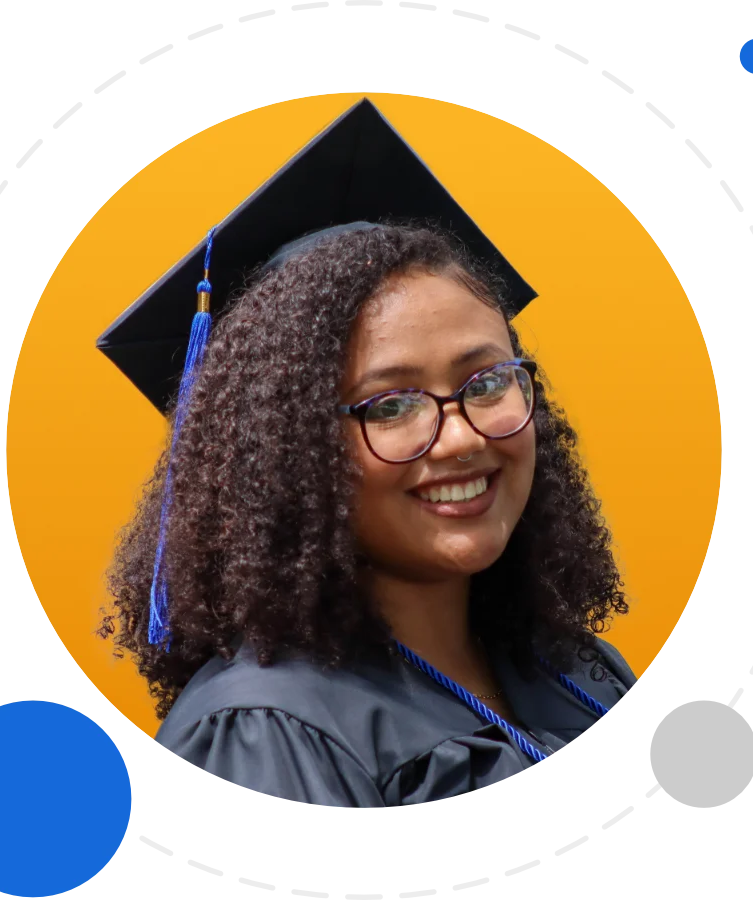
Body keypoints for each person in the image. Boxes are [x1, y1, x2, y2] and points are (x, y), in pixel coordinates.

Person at [98, 100, 636, 807]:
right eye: (390, 404)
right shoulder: (266, 731)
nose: (463, 435)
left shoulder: (575, 667)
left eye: (487, 381)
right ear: (291, 453)